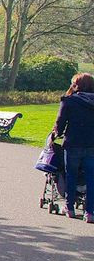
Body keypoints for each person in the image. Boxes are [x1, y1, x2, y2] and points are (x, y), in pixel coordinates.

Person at [54, 72, 94, 221]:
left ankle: (69, 207)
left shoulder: (69, 101)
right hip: (92, 144)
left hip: (73, 143)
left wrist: (56, 134)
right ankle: (90, 211)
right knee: (92, 178)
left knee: (71, 175)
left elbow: (60, 122)